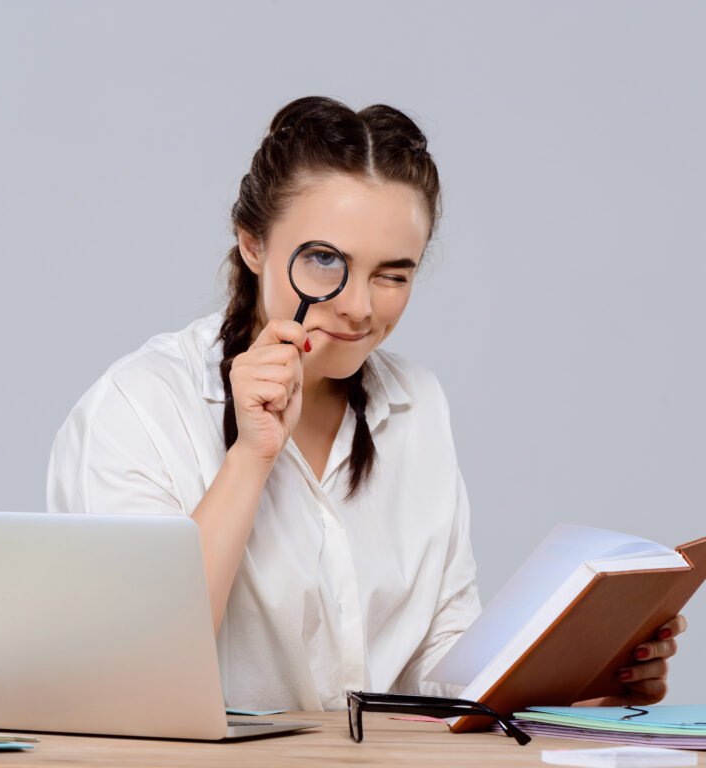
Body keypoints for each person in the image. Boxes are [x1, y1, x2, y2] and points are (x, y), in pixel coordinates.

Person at [47, 95, 685, 711]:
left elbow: (439, 668)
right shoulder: (140, 405)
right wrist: (249, 459)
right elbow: (139, 667)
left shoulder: (417, 404)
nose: (358, 306)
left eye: (393, 274)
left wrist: (583, 687)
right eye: (325, 260)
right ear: (252, 245)